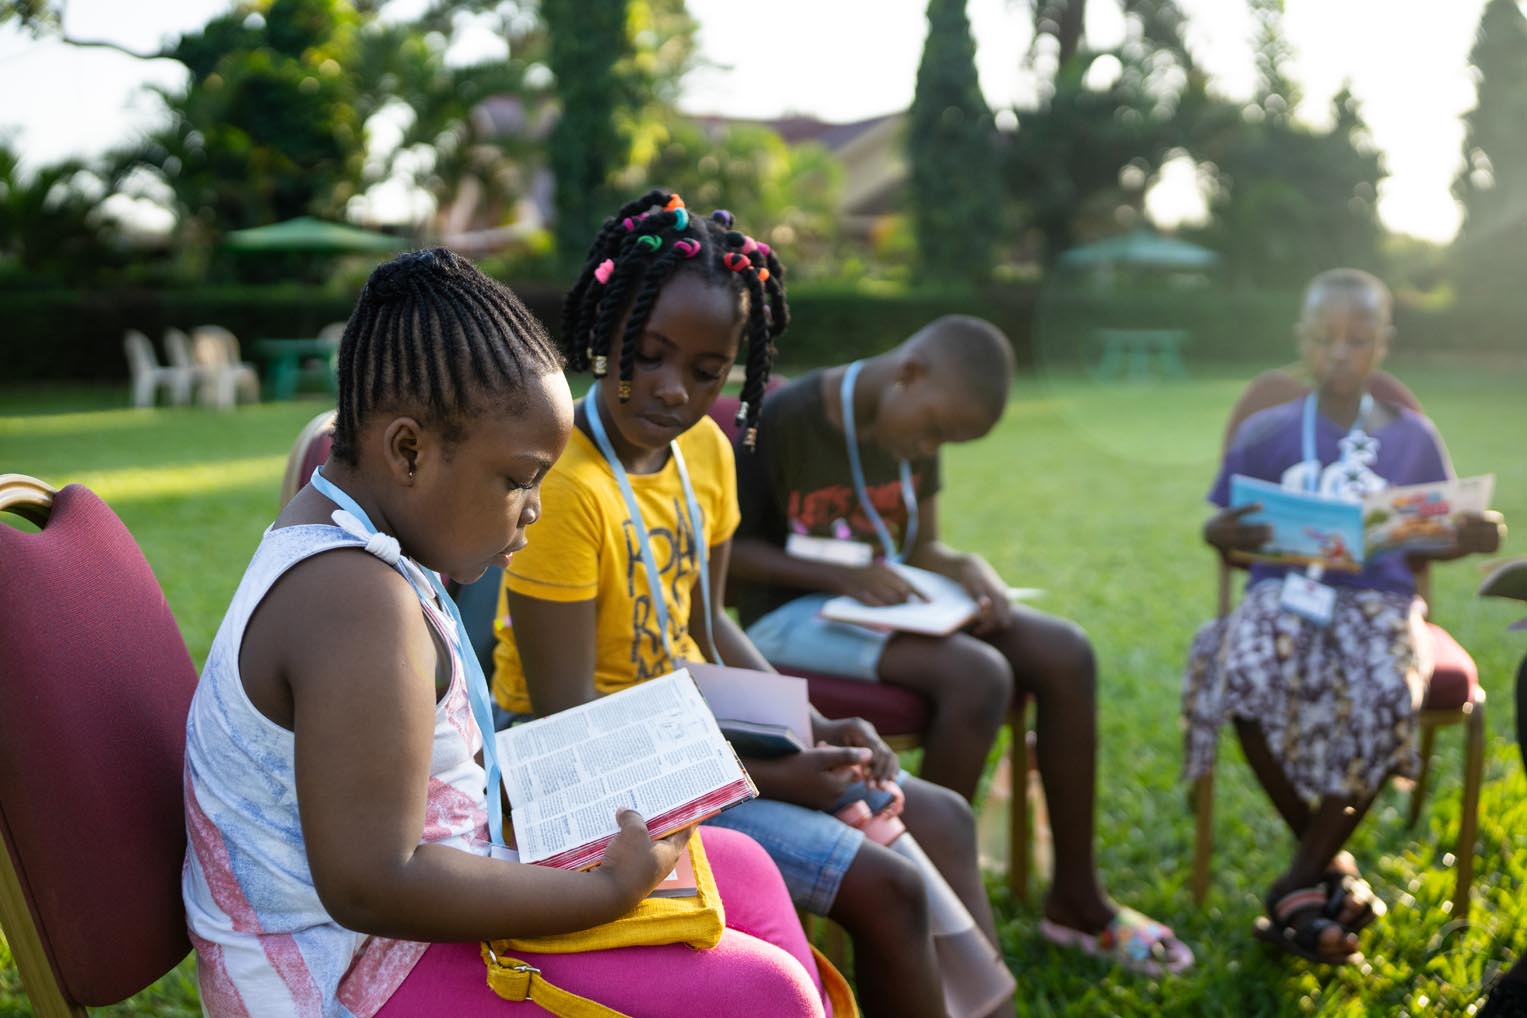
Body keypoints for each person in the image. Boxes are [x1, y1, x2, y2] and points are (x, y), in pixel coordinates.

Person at [181, 248, 831, 1018]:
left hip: (419, 910)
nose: (533, 510)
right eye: (519, 479)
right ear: (408, 450)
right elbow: (370, 885)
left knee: (745, 870)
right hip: (345, 977)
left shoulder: (362, 546)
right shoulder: (353, 603)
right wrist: (598, 896)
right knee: (766, 995)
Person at [492, 191, 1011, 1018]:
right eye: (648, 354)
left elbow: (708, 624)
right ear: (603, 331)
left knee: (940, 818)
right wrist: (771, 775)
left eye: (704, 372)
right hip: (600, 776)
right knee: (888, 887)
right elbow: (571, 723)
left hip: (701, 738)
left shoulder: (705, 450)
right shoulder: (568, 488)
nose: (672, 392)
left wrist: (807, 725)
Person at [727, 314, 1195, 976]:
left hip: (882, 598)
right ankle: (922, 899)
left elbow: (919, 547)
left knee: (1066, 652)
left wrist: (964, 566)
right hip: (791, 616)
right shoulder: (787, 417)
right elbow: (731, 555)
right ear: (909, 375)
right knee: (976, 675)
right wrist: (841, 574)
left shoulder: (914, 422)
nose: (927, 447)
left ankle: (1076, 900)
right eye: (934, 430)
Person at [1183, 267, 1506, 965]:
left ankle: (1295, 884)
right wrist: (1223, 535)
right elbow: (1221, 528)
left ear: (1381, 344)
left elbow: (1436, 536)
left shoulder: (1411, 436)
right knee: (1234, 665)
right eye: (1324, 338)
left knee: (1391, 690)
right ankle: (1326, 870)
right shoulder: (1269, 430)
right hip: (1284, 592)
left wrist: (1472, 535)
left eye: (1357, 339)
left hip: (1379, 602)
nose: (1339, 353)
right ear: (1302, 340)